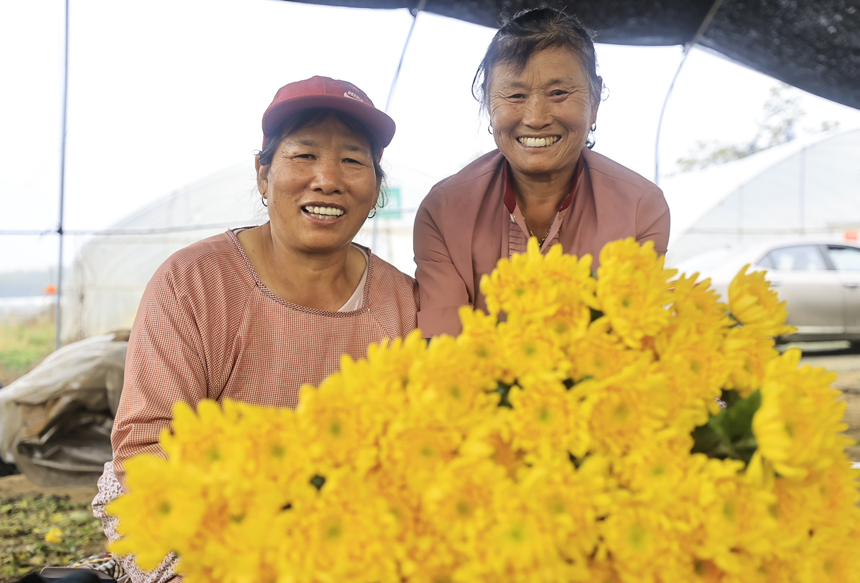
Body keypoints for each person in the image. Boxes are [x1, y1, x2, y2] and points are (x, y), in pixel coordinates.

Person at [92, 76, 418, 583]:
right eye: (303, 155)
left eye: (354, 160)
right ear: (263, 174)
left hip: (352, 540)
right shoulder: (195, 282)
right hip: (209, 533)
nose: (328, 178)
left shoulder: (402, 303)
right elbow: (146, 444)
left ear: (375, 187)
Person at [413, 7, 670, 337]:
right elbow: (445, 350)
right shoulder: (443, 210)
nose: (536, 117)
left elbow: (632, 339)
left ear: (594, 100)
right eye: (515, 95)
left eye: (559, 93)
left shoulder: (641, 208)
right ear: (488, 103)